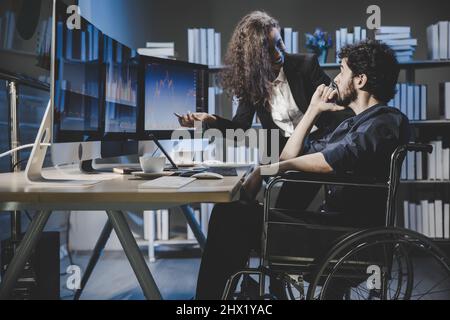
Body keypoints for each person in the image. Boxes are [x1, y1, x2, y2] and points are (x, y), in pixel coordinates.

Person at [196, 40, 411, 300]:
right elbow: (291, 154)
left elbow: (328, 161)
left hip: (345, 237)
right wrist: (312, 111)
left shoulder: (385, 121)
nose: (335, 79)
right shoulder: (350, 124)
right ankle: (230, 293)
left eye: (342, 71)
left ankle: (207, 302)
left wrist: (269, 170)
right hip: (332, 229)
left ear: (360, 80)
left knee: (231, 216)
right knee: (235, 213)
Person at [177, 11, 353, 151]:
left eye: (279, 43)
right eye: (268, 50)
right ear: (254, 57)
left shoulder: (306, 65)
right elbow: (240, 130)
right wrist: (210, 119)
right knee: (248, 185)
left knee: (289, 196)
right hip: (279, 150)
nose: (278, 54)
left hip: (321, 142)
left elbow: (338, 106)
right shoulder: (251, 82)